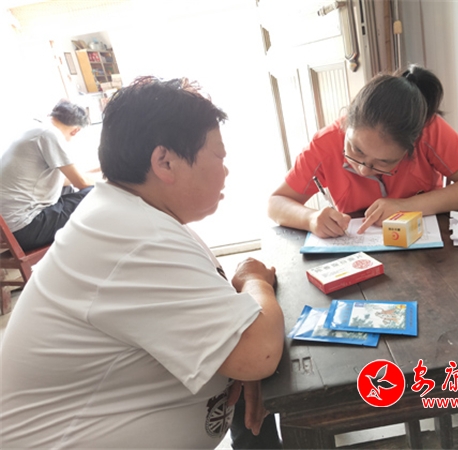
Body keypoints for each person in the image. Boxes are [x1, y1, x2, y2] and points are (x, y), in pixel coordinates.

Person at [0, 76, 285, 449]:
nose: (226, 170)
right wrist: (253, 280)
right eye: (219, 156)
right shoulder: (136, 238)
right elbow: (259, 352)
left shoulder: (127, 215)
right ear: (165, 162)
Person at [268, 65, 458, 238]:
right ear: (347, 123)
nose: (363, 169)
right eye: (355, 150)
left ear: (412, 144)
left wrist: (407, 206)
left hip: (427, 251)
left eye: (384, 162)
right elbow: (276, 202)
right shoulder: (326, 143)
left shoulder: (428, 130)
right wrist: (310, 218)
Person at [0, 100, 96, 251]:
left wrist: (96, 173)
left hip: (10, 228)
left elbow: (64, 181)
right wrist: (110, 180)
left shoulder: (34, 128)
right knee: (97, 194)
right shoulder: (49, 134)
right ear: (76, 131)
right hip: (26, 228)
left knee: (69, 191)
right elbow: (82, 183)